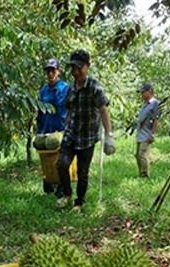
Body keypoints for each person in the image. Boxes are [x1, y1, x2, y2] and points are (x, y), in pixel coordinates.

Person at [55, 49, 115, 211]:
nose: (76, 72)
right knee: (61, 164)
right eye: (73, 68)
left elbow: (103, 111)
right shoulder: (71, 88)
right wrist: (64, 129)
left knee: (83, 172)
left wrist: (109, 135)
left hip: (87, 137)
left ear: (88, 66)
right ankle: (67, 194)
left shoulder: (95, 87)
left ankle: (79, 202)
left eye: (79, 68)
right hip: (71, 134)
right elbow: (69, 110)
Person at [36, 58, 69, 194]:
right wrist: (39, 130)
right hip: (46, 129)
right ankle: (49, 187)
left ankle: (61, 189)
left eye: (53, 71)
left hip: (61, 129)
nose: (50, 74)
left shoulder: (65, 88)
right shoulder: (43, 91)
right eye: (48, 71)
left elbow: (69, 110)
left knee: (60, 161)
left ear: (58, 71)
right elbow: (40, 111)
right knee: (47, 159)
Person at [134, 82, 160, 178]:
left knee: (142, 154)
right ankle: (141, 173)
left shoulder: (155, 104)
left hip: (147, 133)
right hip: (141, 133)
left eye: (143, 92)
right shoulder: (145, 104)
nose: (142, 95)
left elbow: (157, 120)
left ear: (150, 91)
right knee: (137, 154)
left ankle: (145, 175)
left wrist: (152, 134)